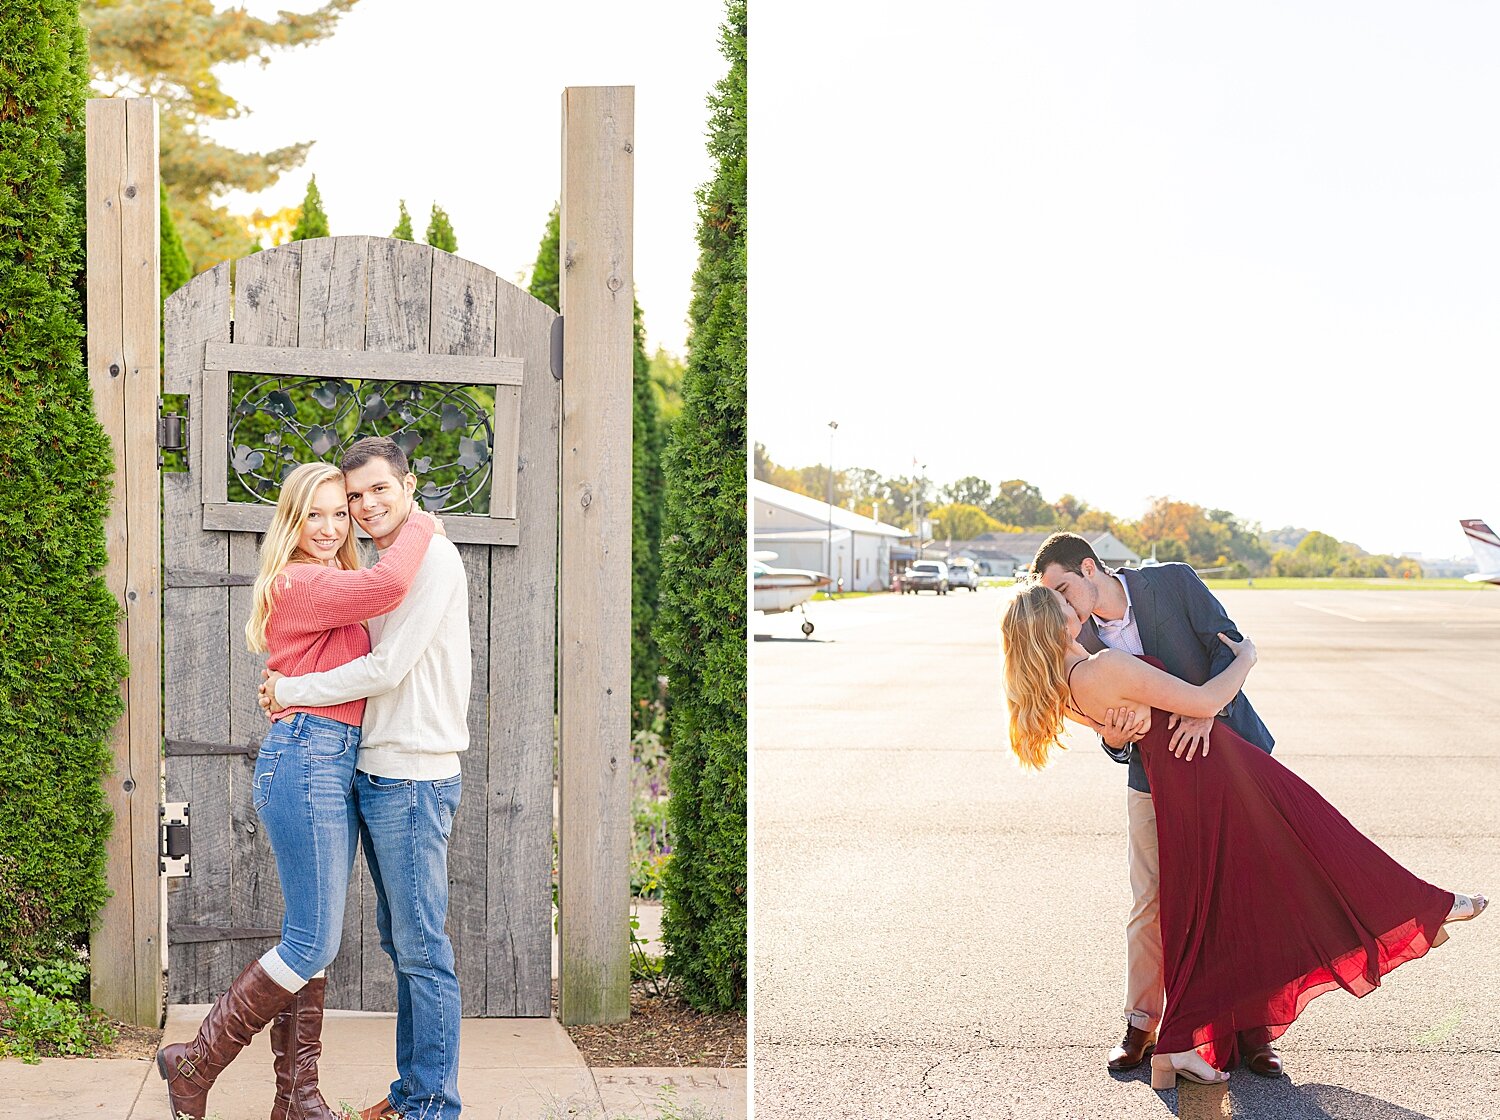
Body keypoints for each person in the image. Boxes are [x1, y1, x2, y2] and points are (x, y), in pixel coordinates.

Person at [999, 582, 1487, 1089]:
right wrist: (1247, 657)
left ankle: (1176, 1048)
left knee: (1204, 909)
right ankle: (1423, 905)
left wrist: (1118, 727)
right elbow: (1206, 699)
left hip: (1184, 786)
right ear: (1051, 624)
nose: (1071, 605)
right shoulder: (1104, 668)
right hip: (1218, 773)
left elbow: (1128, 721)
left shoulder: (1060, 687)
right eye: (1059, 603)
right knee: (1324, 845)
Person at [158, 461, 436, 1120]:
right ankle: (195, 1063)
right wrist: (421, 515)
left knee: (312, 936)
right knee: (311, 941)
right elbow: (392, 583)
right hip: (306, 758)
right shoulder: (301, 579)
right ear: (291, 519)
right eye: (316, 513)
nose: (331, 525)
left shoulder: (333, 578)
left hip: (327, 760)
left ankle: (297, 1100)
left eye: (341, 513)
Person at [260, 436, 471, 1120]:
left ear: (409, 486)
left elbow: (385, 671)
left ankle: (432, 1104)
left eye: (380, 489)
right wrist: (296, 686)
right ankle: (414, 1091)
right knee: (403, 942)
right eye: (356, 496)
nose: (365, 504)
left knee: (421, 948)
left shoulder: (429, 558)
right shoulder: (380, 566)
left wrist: (296, 688)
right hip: (377, 771)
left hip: (412, 773)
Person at [1031, 533, 1282, 1075]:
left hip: (1230, 757)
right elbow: (1108, 732)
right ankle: (1141, 1025)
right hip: (1152, 778)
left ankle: (1254, 1031)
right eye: (1048, 594)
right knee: (1149, 901)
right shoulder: (1078, 640)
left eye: (1062, 586)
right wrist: (1117, 739)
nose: (1058, 602)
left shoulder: (1172, 581)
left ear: (1089, 568)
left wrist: (1206, 710)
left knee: (1240, 894)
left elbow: (1228, 645)